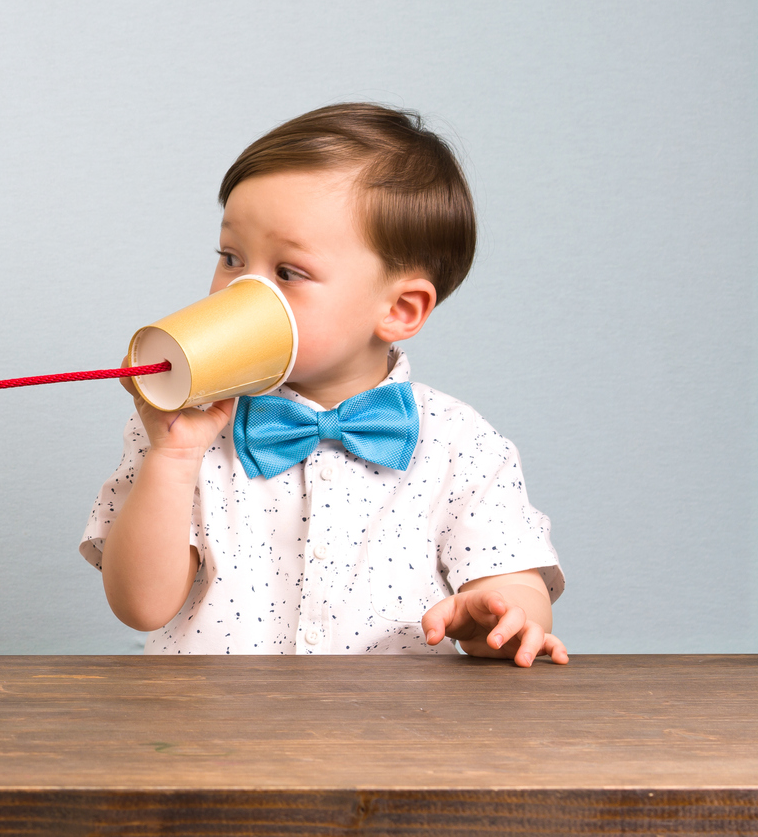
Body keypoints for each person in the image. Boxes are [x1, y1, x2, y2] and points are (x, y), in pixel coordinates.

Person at [80, 104, 565, 665]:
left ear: (401, 309)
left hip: (393, 737)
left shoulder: (463, 444)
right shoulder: (178, 428)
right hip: (208, 739)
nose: (242, 291)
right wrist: (172, 455)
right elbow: (140, 606)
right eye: (231, 258)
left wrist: (496, 616)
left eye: (288, 272)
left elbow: (516, 585)